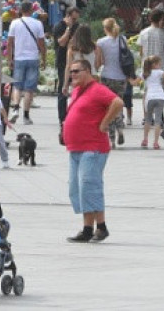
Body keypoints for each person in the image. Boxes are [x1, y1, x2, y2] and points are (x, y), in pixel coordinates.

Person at [62, 59, 122, 243]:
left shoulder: (97, 89)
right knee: (77, 188)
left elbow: (117, 102)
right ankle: (87, 228)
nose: (72, 75)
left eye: (76, 71)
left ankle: (101, 227)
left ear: (87, 71)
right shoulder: (78, 89)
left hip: (93, 147)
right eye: (71, 72)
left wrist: (105, 123)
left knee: (90, 185)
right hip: (76, 148)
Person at [7, 1, 47, 125]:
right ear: (31, 10)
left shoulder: (14, 23)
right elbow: (41, 43)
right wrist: (44, 58)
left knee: (17, 86)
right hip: (33, 58)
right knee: (29, 89)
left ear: (21, 10)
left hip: (19, 58)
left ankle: (14, 110)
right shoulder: (38, 24)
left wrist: (9, 58)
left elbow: (9, 42)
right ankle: (26, 116)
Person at [95, 18, 130, 147]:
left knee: (108, 107)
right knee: (119, 104)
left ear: (105, 28)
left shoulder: (101, 42)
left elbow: (99, 62)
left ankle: (112, 139)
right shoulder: (123, 39)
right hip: (121, 77)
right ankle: (120, 128)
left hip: (107, 77)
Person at [54, 8, 81, 130]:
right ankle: (62, 118)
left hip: (76, 62)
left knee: (78, 91)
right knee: (63, 90)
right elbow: (62, 43)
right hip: (62, 61)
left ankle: (75, 116)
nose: (75, 21)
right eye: (73, 19)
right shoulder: (59, 26)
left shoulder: (78, 26)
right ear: (68, 16)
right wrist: (69, 28)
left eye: (77, 19)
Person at [140, 56, 164, 149]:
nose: (160, 65)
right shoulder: (159, 72)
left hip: (149, 98)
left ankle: (145, 139)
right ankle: (156, 142)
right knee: (158, 121)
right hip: (160, 97)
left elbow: (134, 82)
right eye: (159, 63)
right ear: (154, 64)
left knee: (148, 119)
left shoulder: (144, 74)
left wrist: (129, 78)